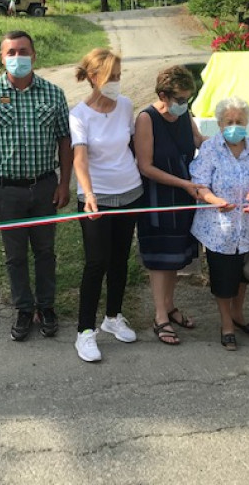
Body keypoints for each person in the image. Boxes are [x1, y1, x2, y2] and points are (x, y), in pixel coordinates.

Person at [0, 30, 73, 342]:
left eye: (23, 51)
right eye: (11, 52)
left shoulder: (53, 94)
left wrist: (64, 183)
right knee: (15, 255)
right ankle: (24, 309)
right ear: (2, 58)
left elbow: (65, 141)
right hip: (6, 190)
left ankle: (47, 306)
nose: (17, 58)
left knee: (45, 251)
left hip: (44, 187)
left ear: (34, 55)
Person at [70, 48, 143, 362]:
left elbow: (130, 145)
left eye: (118, 76)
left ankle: (112, 316)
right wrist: (88, 194)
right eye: (111, 77)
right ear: (92, 78)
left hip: (129, 193)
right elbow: (80, 158)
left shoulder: (126, 106)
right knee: (95, 263)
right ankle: (85, 332)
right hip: (96, 200)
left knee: (119, 260)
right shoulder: (79, 114)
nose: (116, 82)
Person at [190, 96, 249, 351]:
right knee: (223, 278)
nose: (234, 126)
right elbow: (199, 185)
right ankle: (226, 323)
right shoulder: (210, 149)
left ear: (247, 122)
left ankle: (238, 315)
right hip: (219, 228)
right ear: (219, 123)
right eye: (229, 121)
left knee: (242, 276)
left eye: (239, 121)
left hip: (247, 227)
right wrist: (215, 200)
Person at [134, 65, 207, 345]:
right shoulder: (146, 119)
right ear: (163, 95)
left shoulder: (184, 114)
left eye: (186, 99)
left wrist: (230, 143)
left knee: (175, 258)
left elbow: (199, 140)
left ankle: (170, 305)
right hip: (157, 200)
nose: (183, 104)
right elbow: (146, 166)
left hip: (184, 198)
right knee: (160, 260)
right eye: (178, 99)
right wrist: (183, 184)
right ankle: (160, 316)